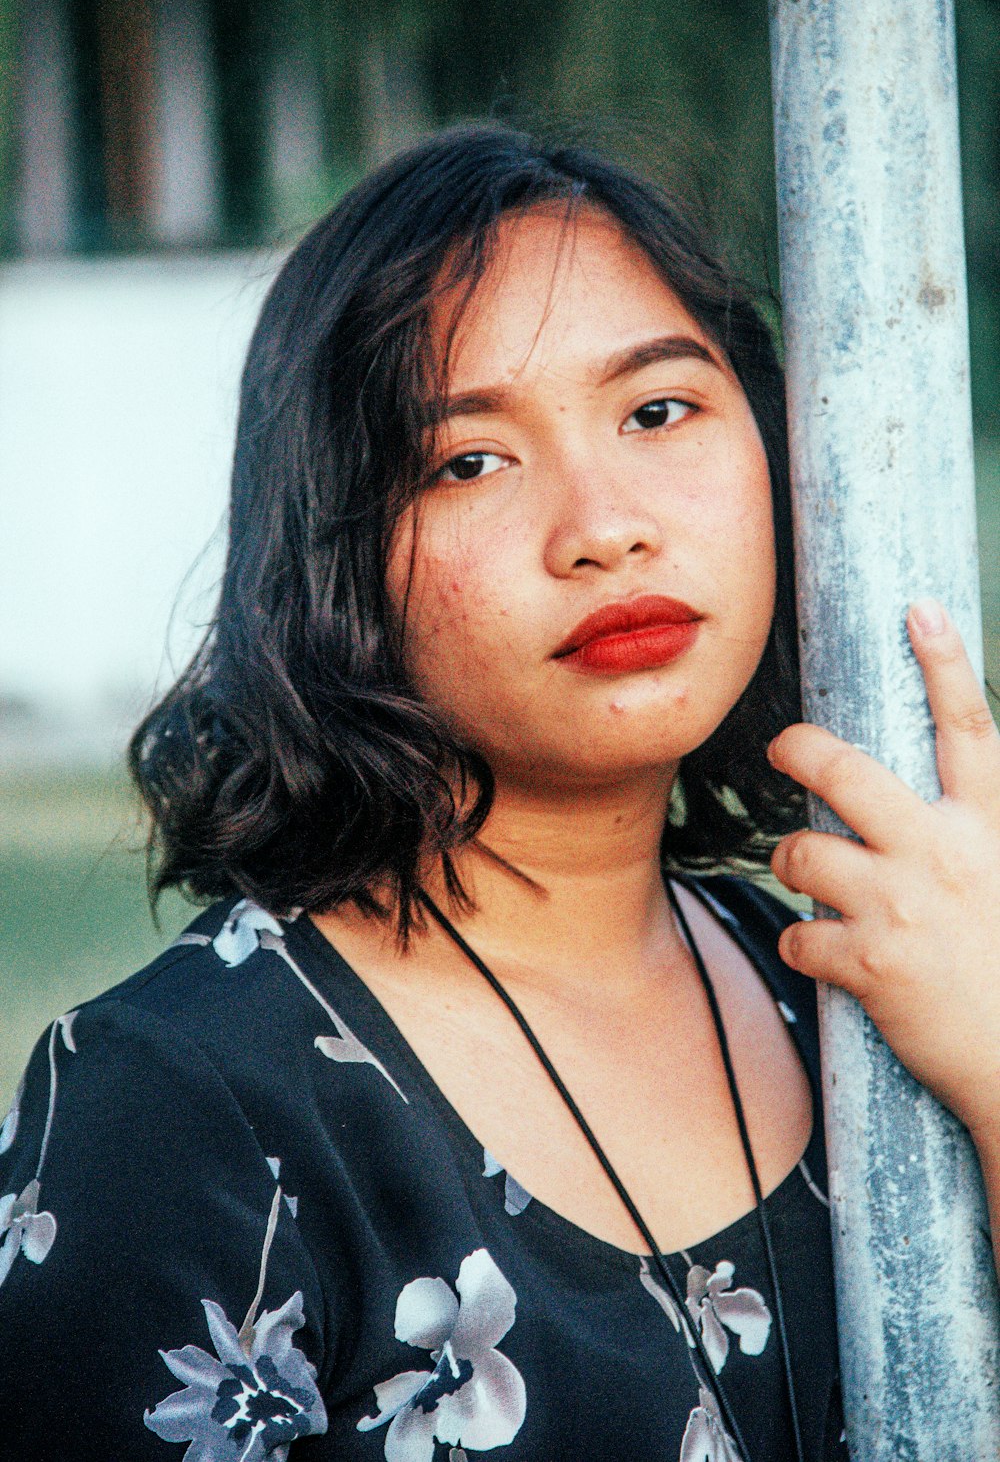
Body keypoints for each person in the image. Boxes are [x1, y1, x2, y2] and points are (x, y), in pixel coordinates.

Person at [2, 124, 999, 1462]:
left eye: (658, 411)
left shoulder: (858, 992)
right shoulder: (176, 1102)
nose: (603, 523)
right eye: (470, 460)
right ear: (339, 559)